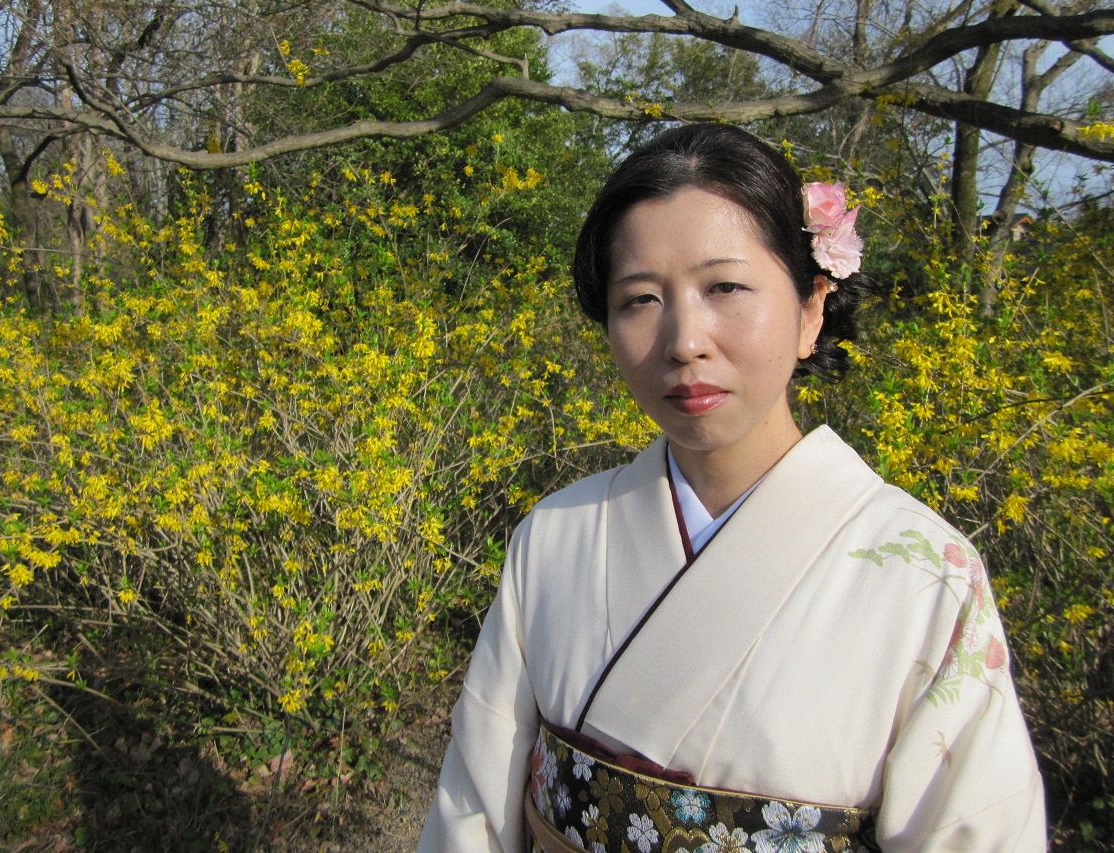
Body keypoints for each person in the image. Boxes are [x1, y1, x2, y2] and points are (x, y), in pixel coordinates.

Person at [418, 124, 1045, 852]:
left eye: (725, 287)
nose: (684, 341)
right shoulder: (556, 536)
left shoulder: (927, 575)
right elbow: (474, 810)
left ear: (811, 309)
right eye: (639, 299)